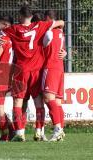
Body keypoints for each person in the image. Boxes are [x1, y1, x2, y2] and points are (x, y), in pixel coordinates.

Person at [3, 6, 65, 141]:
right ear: (32, 16)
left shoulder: (14, 29)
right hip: (37, 71)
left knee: (18, 103)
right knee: (39, 103)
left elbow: (1, 32)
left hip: (21, 71)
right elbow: (61, 22)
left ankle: (20, 133)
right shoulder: (40, 26)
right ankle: (39, 131)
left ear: (20, 16)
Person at [42, 10, 66, 141]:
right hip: (60, 67)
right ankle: (60, 132)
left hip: (50, 67)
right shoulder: (60, 32)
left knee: (48, 98)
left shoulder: (49, 32)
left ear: (48, 19)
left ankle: (58, 129)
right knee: (57, 101)